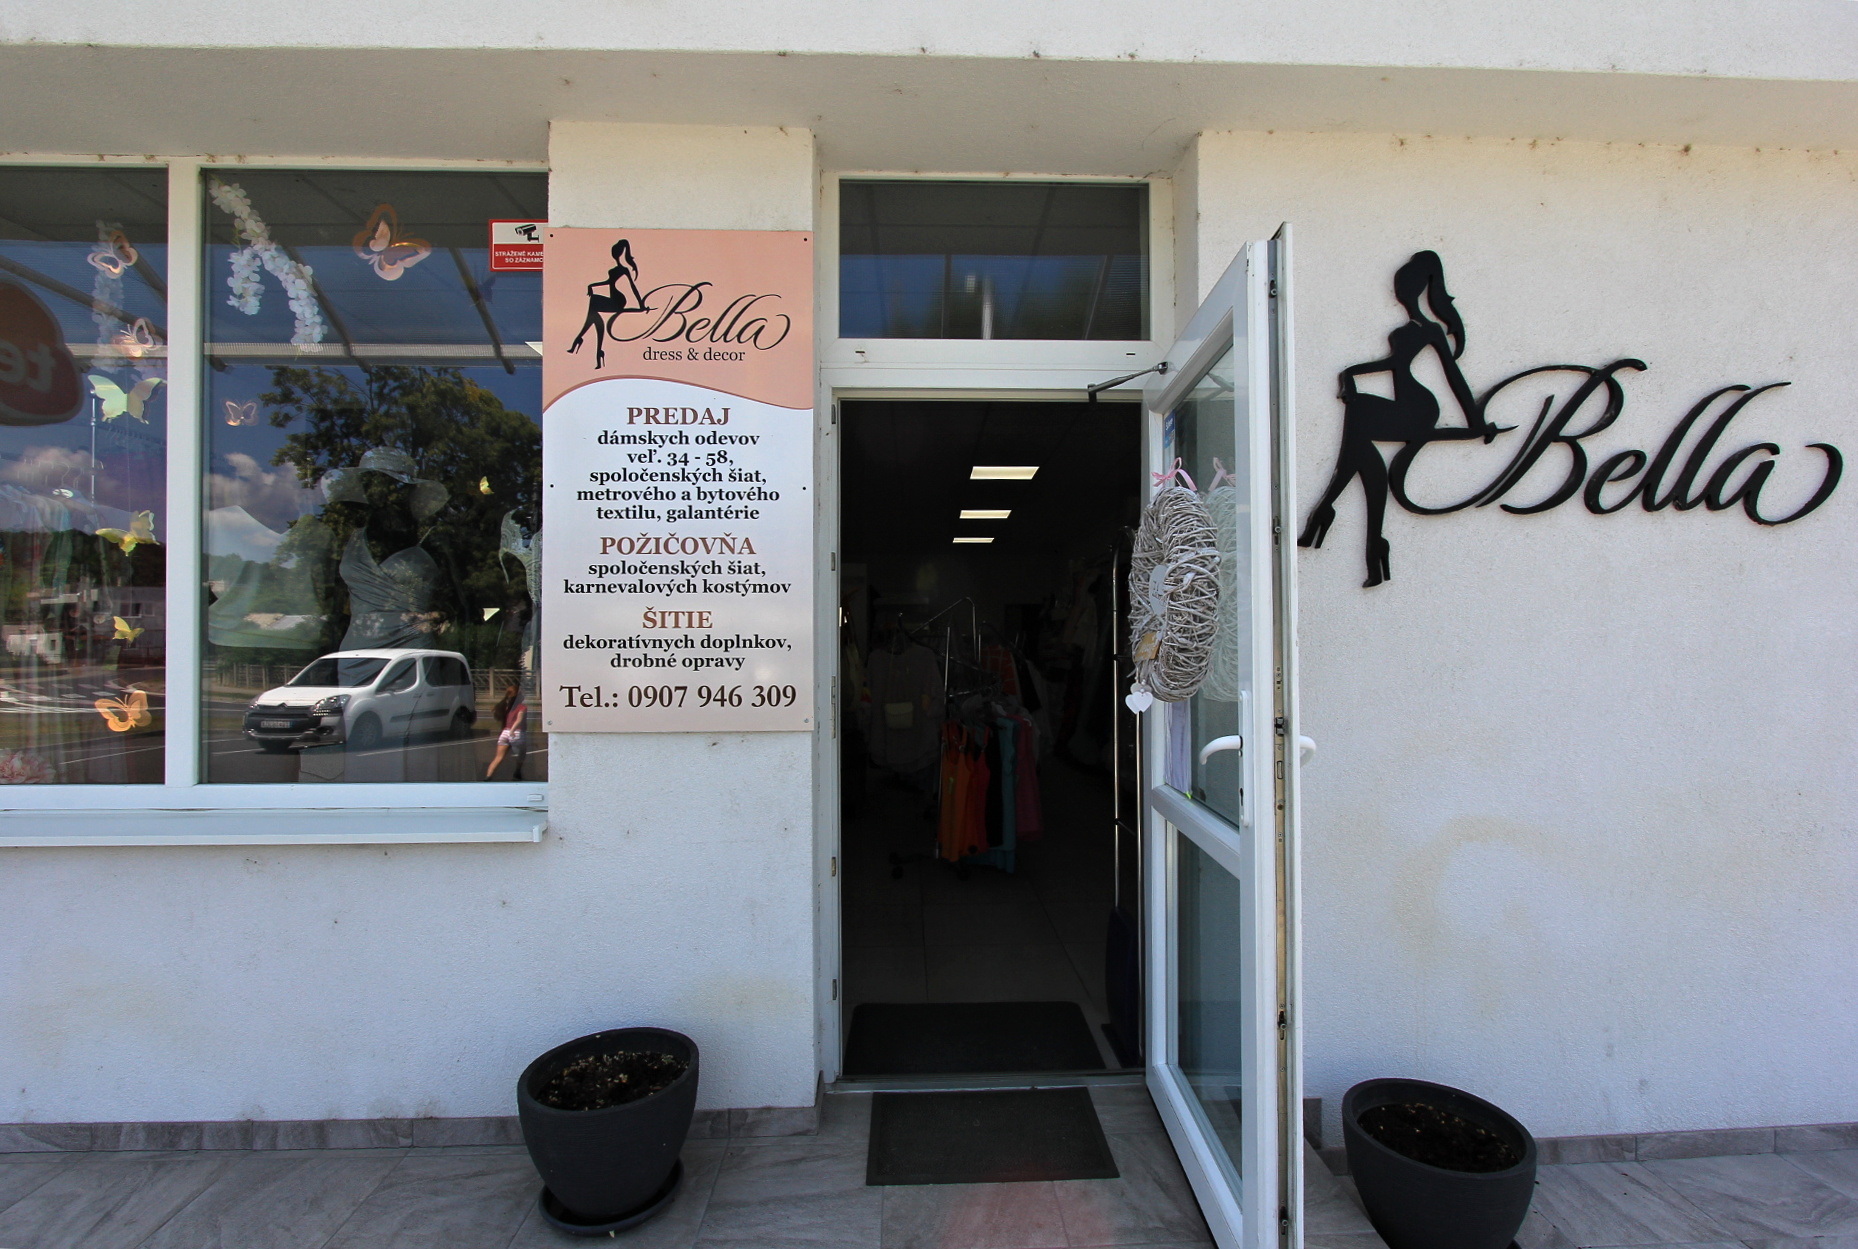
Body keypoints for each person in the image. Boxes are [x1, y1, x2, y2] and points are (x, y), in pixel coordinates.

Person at [1297, 250, 1507, 587]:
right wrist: (1350, 373)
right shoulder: (1406, 329)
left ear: (1418, 289)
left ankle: (1328, 509)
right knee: (1362, 446)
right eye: (1398, 288)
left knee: (1358, 416)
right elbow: (1391, 365)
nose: (1400, 293)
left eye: (1405, 287)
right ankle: (1374, 542)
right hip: (1400, 406)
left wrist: (1476, 420)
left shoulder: (1431, 330)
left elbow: (1453, 376)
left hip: (1419, 409)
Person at [567, 239, 647, 370]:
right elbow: (608, 282)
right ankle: (598, 351)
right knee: (594, 314)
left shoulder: (624, 270)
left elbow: (633, 287)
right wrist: (591, 285)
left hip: (618, 301)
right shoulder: (613, 270)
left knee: (593, 305)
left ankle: (580, 339)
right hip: (612, 300)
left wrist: (641, 304)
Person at [484, 683, 527, 781]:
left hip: (504, 733)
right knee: (521, 755)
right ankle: (517, 773)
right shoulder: (521, 707)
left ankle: (488, 776)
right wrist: (512, 730)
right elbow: (519, 720)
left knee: (498, 757)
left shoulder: (504, 706)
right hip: (517, 732)